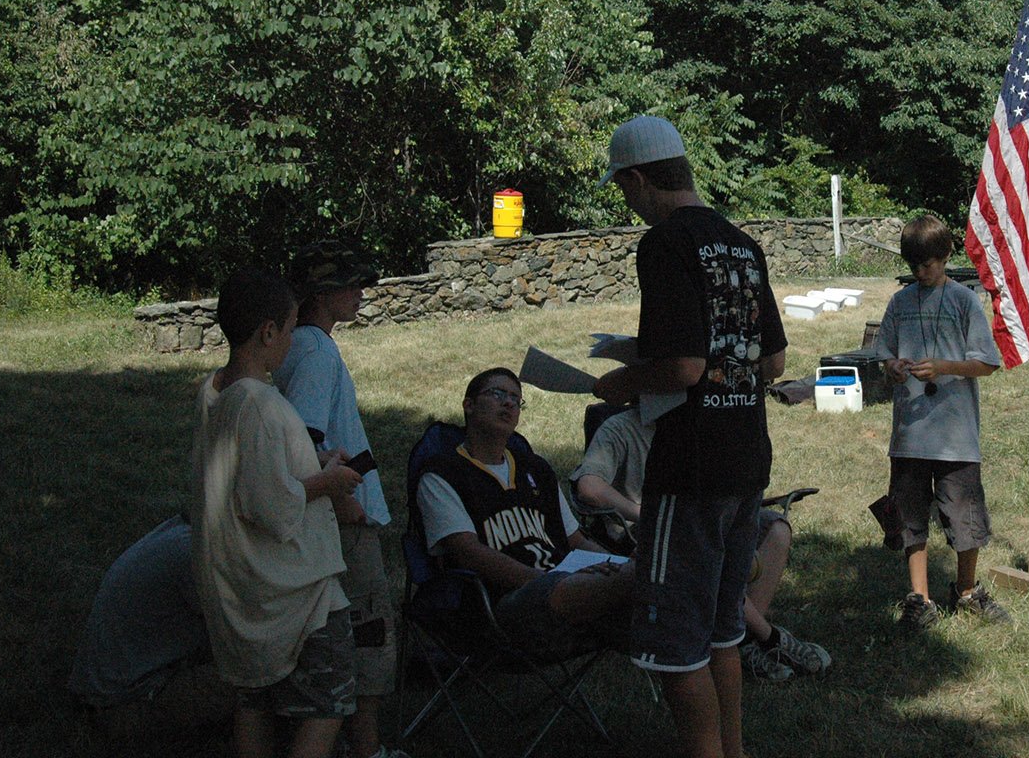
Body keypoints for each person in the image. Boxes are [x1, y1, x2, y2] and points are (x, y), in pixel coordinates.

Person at [593, 114, 787, 758]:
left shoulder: (665, 244)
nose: (629, 206)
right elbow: (773, 363)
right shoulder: (742, 244)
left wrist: (623, 382)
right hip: (746, 460)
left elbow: (682, 367)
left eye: (625, 191)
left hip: (690, 467)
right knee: (723, 633)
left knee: (674, 650)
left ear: (641, 179)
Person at [191, 267, 363, 758]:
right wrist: (328, 482)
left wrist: (315, 462)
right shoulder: (261, 404)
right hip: (290, 588)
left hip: (237, 581)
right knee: (329, 701)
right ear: (268, 332)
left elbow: (253, 473)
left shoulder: (215, 391)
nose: (293, 341)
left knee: (254, 700)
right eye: (289, 329)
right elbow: (269, 503)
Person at [571, 406, 830, 681]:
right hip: (645, 535)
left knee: (775, 530)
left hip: (704, 521)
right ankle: (769, 638)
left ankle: (741, 640)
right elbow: (589, 487)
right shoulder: (620, 428)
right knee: (707, 556)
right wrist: (645, 512)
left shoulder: (697, 424)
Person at [274, 241, 405, 758]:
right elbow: (305, 439)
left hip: (334, 513)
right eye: (351, 284)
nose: (361, 293)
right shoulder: (315, 350)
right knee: (367, 632)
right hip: (343, 518)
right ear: (323, 294)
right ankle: (367, 750)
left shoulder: (301, 346)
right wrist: (348, 508)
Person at [412, 368, 632, 655]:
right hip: (500, 605)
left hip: (568, 589)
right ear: (469, 405)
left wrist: (612, 564)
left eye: (516, 399)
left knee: (639, 581)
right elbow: (467, 552)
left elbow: (576, 540)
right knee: (639, 584)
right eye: (497, 394)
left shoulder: (536, 470)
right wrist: (548, 581)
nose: (509, 403)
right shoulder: (442, 474)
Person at [874, 215, 1009, 631]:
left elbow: (988, 363)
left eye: (929, 264)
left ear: (947, 256)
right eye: (915, 267)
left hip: (955, 437)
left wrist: (945, 367)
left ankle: (966, 591)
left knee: (965, 515)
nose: (922, 273)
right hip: (911, 435)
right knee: (911, 516)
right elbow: (881, 352)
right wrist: (892, 366)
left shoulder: (964, 302)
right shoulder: (899, 303)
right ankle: (920, 597)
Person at [68, 514, 235, 749]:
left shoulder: (178, 531)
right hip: (123, 707)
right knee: (253, 676)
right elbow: (236, 630)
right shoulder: (192, 555)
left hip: (104, 690)